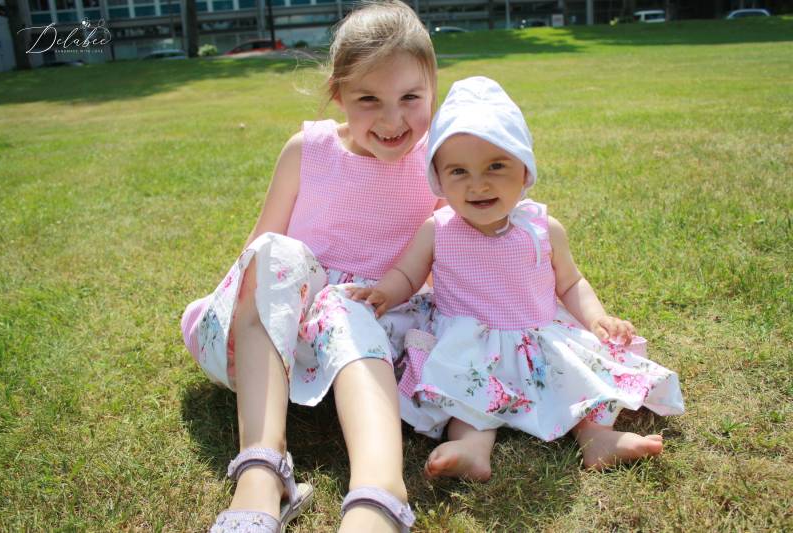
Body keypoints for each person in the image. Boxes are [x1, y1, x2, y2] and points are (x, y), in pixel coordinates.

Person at [181, 2, 440, 531]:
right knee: (276, 253)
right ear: (338, 94)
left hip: (382, 339)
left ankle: (379, 492)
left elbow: (467, 248)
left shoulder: (440, 159)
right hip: (288, 338)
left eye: (410, 98)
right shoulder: (309, 149)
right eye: (369, 99)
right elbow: (258, 251)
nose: (393, 120)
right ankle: (261, 470)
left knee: (346, 309)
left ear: (434, 90)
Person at [349, 76, 685, 482]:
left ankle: (597, 439)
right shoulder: (438, 229)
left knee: (578, 384)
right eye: (459, 171)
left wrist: (597, 318)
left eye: (496, 166)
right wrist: (385, 292)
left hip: (539, 340)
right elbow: (408, 273)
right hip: (470, 343)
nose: (478, 184)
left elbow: (571, 284)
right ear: (438, 178)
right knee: (467, 396)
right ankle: (472, 448)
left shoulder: (542, 228)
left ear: (524, 169)